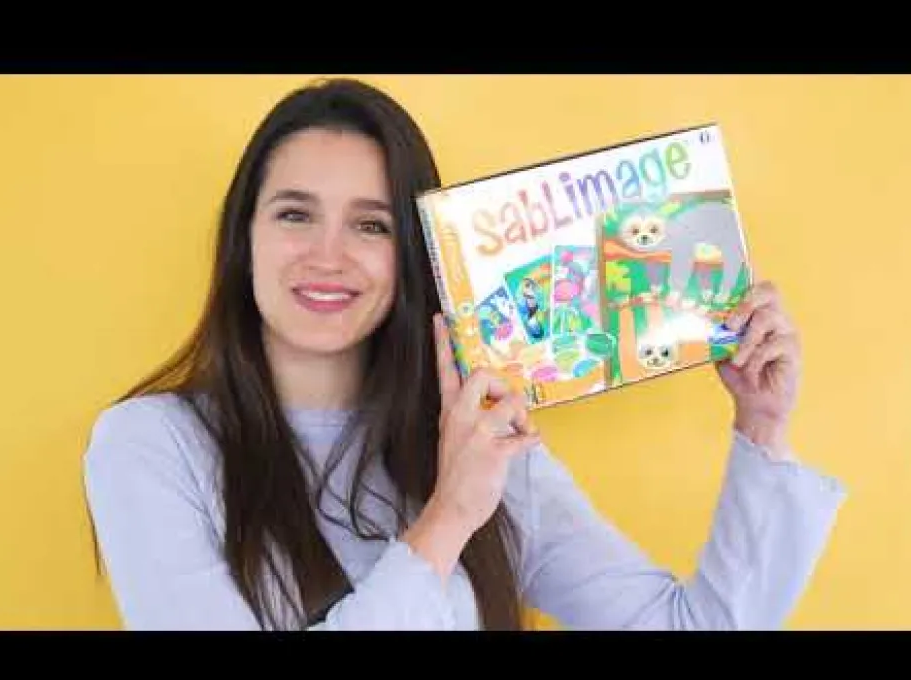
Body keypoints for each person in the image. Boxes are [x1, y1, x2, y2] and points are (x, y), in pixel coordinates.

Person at [83, 76, 846, 631]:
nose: (327, 255)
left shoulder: (487, 451)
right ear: (242, 239)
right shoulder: (151, 444)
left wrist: (762, 425)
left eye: (371, 225)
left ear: (414, 258)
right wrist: (448, 516)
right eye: (294, 214)